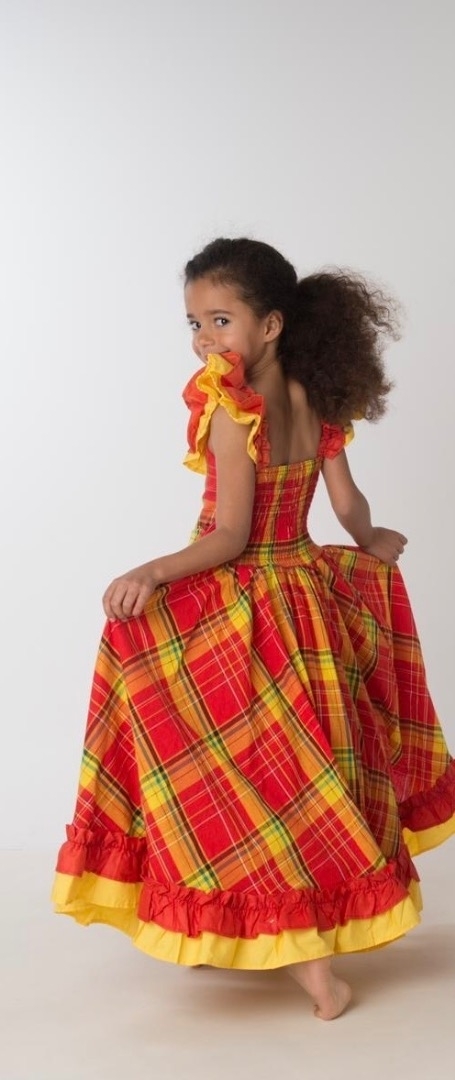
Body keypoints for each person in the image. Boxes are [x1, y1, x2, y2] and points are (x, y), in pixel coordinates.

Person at [52, 237, 455, 1021]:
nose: (204, 339)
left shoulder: (234, 411)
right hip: (308, 603)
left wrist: (151, 572)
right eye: (194, 323)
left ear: (269, 325)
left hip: (248, 610)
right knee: (300, 777)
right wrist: (369, 541)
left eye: (220, 320)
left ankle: (308, 965)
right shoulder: (315, 396)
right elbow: (347, 505)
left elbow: (230, 537)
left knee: (238, 778)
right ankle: (244, 929)